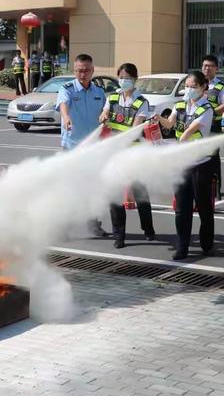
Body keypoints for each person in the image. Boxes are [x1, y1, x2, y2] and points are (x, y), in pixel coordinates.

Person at [157, 71, 214, 261]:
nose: (188, 90)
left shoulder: (206, 108)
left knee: (204, 206)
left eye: (193, 86)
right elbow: (170, 124)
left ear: (202, 87)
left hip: (200, 165)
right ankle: (182, 247)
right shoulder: (179, 105)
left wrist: (179, 142)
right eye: (186, 86)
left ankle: (207, 242)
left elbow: (190, 130)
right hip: (182, 164)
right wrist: (157, 119)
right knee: (181, 208)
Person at [99, 63, 155, 248]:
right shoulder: (113, 97)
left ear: (135, 79)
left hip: (133, 155)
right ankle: (119, 235)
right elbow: (105, 113)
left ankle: (148, 229)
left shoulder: (142, 102)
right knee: (115, 196)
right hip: (114, 156)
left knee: (140, 194)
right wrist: (104, 115)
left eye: (128, 78)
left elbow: (135, 128)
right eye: (122, 77)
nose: (124, 81)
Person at [56, 53, 107, 236]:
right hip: (72, 146)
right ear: (74, 71)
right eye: (79, 71)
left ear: (92, 71)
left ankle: (94, 225)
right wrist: (66, 117)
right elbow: (63, 104)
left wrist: (105, 116)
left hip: (93, 147)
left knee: (93, 188)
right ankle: (64, 227)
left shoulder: (99, 92)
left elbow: (105, 112)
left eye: (86, 70)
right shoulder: (67, 89)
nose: (82, 74)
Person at [202, 54, 224, 199]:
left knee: (212, 157)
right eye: (205, 66)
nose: (207, 69)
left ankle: (216, 188)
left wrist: (211, 113)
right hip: (197, 126)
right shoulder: (196, 83)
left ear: (216, 69)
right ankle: (201, 184)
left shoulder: (220, 85)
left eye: (210, 66)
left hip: (213, 126)